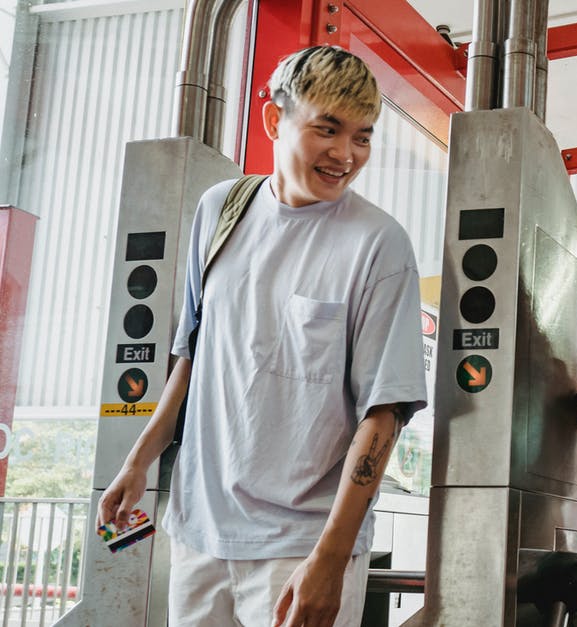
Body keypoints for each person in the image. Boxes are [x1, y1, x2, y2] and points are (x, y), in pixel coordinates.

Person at [97, 46, 427, 627]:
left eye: (362, 137)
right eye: (327, 129)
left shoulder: (379, 244)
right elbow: (193, 356)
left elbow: (384, 412)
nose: (345, 155)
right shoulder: (220, 209)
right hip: (199, 532)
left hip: (299, 546)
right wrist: (137, 463)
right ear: (275, 121)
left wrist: (329, 560)